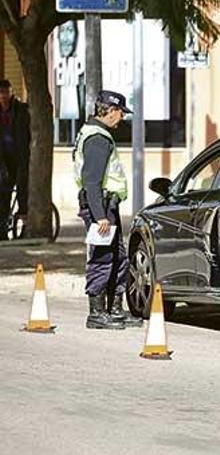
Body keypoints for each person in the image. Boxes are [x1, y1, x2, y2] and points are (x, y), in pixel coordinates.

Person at [73, 90, 142, 329]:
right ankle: (97, 313)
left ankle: (114, 309)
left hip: (106, 206)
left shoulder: (94, 133)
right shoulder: (98, 139)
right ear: (110, 111)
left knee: (118, 258)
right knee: (102, 258)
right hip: (100, 208)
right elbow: (91, 181)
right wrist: (99, 216)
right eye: (121, 112)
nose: (121, 118)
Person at [0, 79, 30, 241]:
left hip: (21, 158)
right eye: (1, 93)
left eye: (6, 92)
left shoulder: (20, 110)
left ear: (11, 92)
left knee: (22, 193)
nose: (4, 96)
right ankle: (3, 229)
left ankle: (24, 228)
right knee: (3, 194)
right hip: (5, 160)